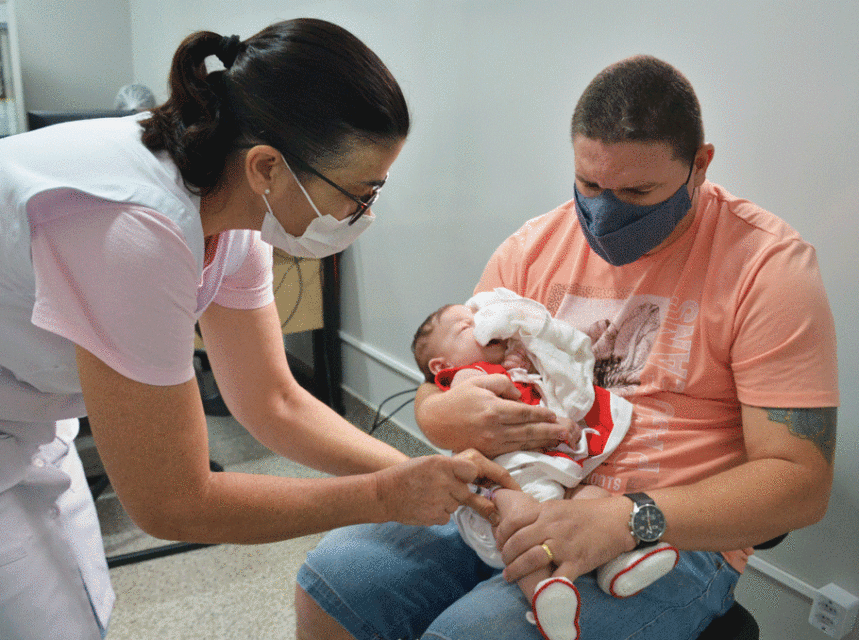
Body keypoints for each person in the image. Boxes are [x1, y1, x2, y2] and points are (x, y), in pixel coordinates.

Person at [0, 19, 518, 640]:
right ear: (268, 166)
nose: (359, 214)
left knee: (73, 609)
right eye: (359, 192)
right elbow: (171, 502)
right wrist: (384, 497)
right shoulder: (133, 228)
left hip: (5, 423)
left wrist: (432, 485)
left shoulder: (233, 211)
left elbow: (271, 401)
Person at [296, 54, 838, 640]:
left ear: (700, 165)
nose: (606, 211)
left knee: (474, 634)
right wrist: (441, 411)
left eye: (638, 190)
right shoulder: (533, 247)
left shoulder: (767, 268)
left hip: (664, 533)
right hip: (509, 493)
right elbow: (443, 374)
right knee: (334, 578)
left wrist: (631, 518)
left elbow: (799, 485)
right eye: (590, 184)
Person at [411, 291, 679, 640]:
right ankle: (544, 594)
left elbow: (542, 399)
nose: (480, 325)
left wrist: (552, 407)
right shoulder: (463, 377)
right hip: (506, 481)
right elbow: (494, 398)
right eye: (466, 327)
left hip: (553, 469)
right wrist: (513, 373)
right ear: (440, 366)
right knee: (519, 519)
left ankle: (618, 564)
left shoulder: (511, 367)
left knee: (594, 497)